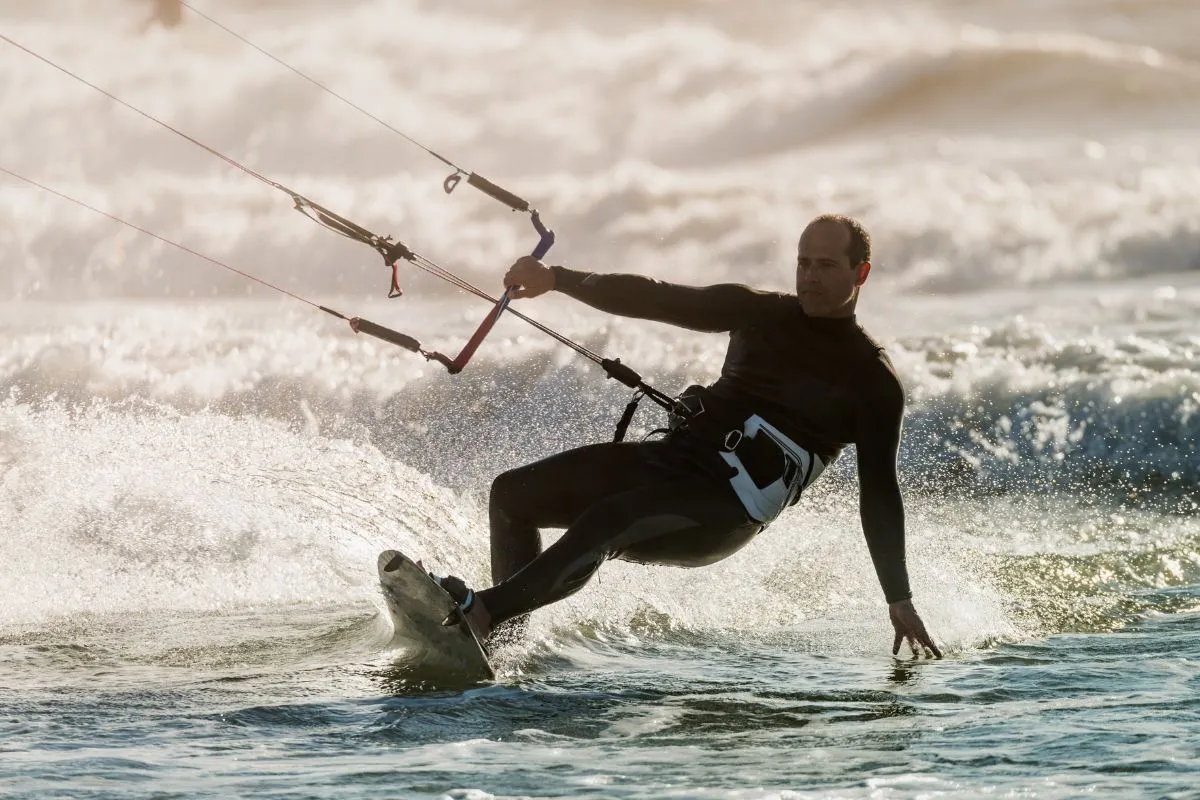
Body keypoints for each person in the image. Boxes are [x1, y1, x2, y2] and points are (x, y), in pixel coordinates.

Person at [439, 214, 941, 659]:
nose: (810, 276)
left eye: (827, 265)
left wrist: (898, 597)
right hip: (674, 461)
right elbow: (657, 297)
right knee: (512, 495)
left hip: (726, 511)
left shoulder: (872, 381)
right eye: (803, 262)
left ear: (861, 273)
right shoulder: (757, 312)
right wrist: (556, 278)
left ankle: (484, 611)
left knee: (609, 519)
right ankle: (498, 645)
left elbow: (880, 493)